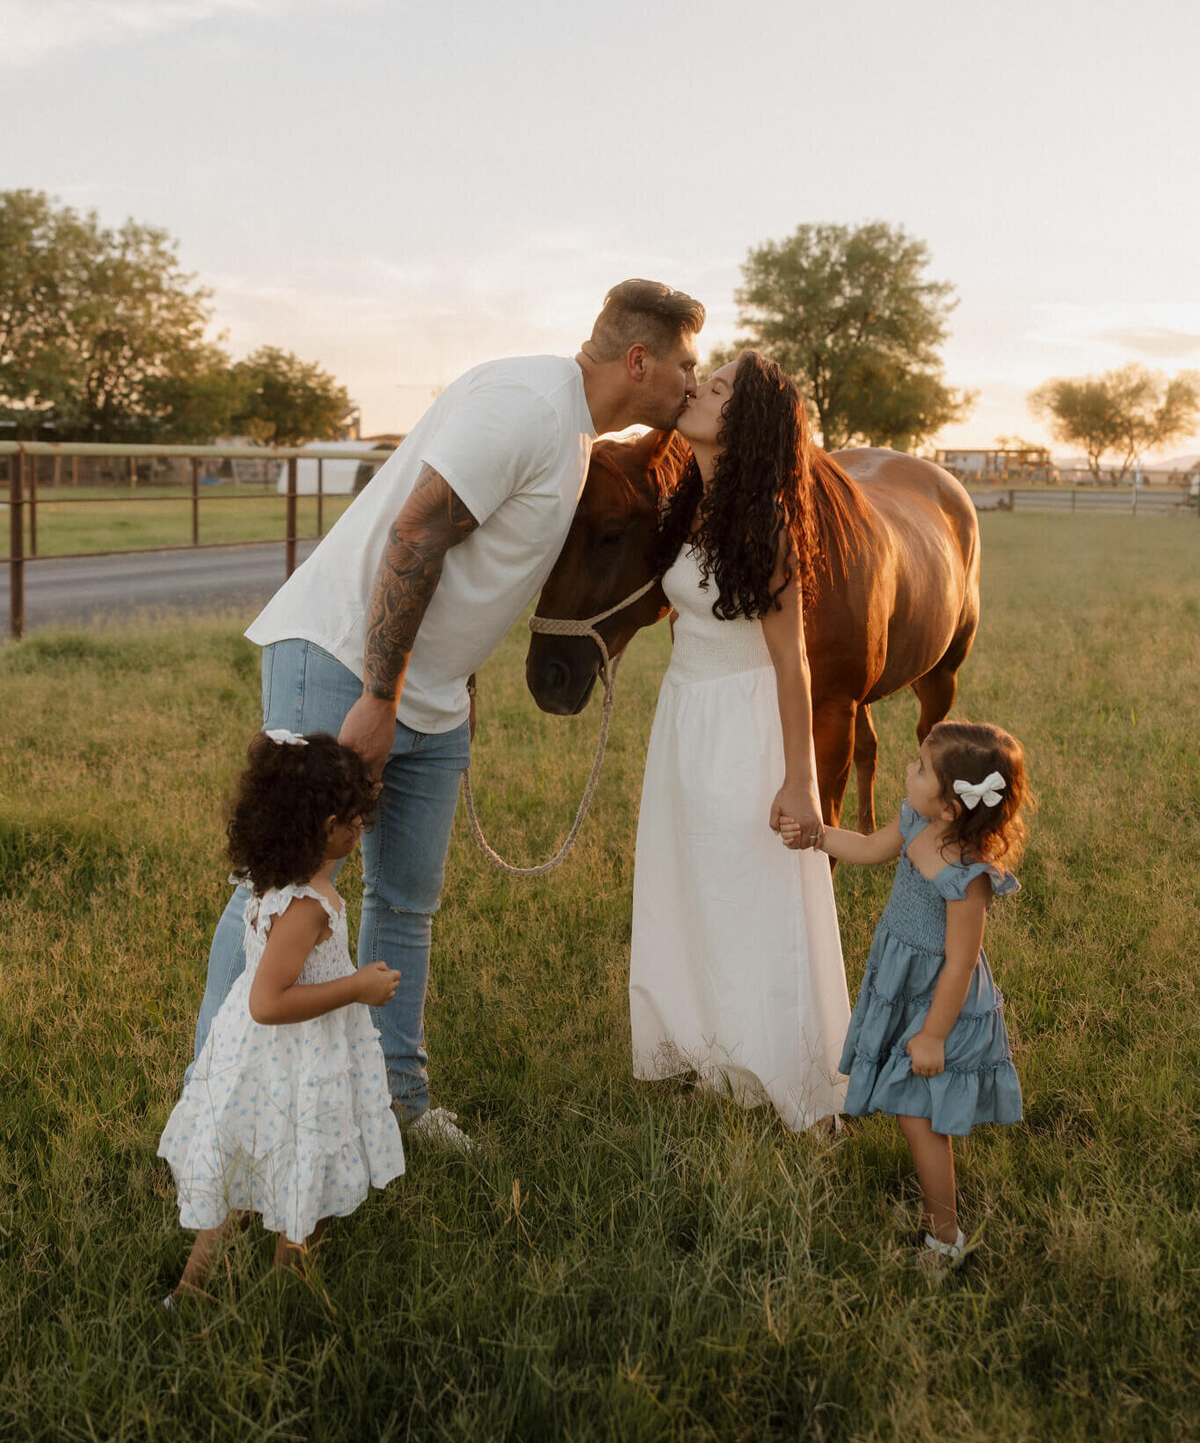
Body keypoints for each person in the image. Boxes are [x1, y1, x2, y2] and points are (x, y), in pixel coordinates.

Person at [191, 280, 706, 1153]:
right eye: (686, 364)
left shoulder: (575, 434)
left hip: (425, 692)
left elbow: (476, 564)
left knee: (406, 904)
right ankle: (215, 1111)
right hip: (345, 666)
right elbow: (416, 534)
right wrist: (380, 697)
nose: (692, 382)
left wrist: (453, 675)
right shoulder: (526, 405)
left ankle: (397, 1102)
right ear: (638, 361)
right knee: (280, 891)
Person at [629, 351, 851, 1134]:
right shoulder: (689, 502)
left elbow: (792, 663)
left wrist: (801, 780)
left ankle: (792, 1077)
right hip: (684, 715)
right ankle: (713, 1051)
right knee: (690, 884)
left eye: (718, 387)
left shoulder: (767, 522)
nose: (698, 388)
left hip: (743, 721)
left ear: (746, 423)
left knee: (747, 894)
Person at [159, 730, 405, 1304]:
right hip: (295, 1055)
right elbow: (268, 1002)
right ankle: (284, 1302)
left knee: (247, 1176)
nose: (361, 829)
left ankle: (189, 1295)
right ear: (330, 828)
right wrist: (357, 987)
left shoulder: (274, 880)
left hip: (264, 1057)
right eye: (355, 820)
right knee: (305, 1182)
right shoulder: (307, 906)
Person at [783, 720, 1029, 1262]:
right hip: (901, 983)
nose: (907, 770)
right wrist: (818, 836)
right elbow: (870, 847)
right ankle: (933, 1212)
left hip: (940, 1003)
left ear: (952, 808)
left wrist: (933, 1036)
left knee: (920, 1118)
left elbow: (961, 963)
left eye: (920, 769)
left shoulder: (968, 879)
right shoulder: (917, 822)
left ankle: (946, 1238)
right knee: (909, 1111)